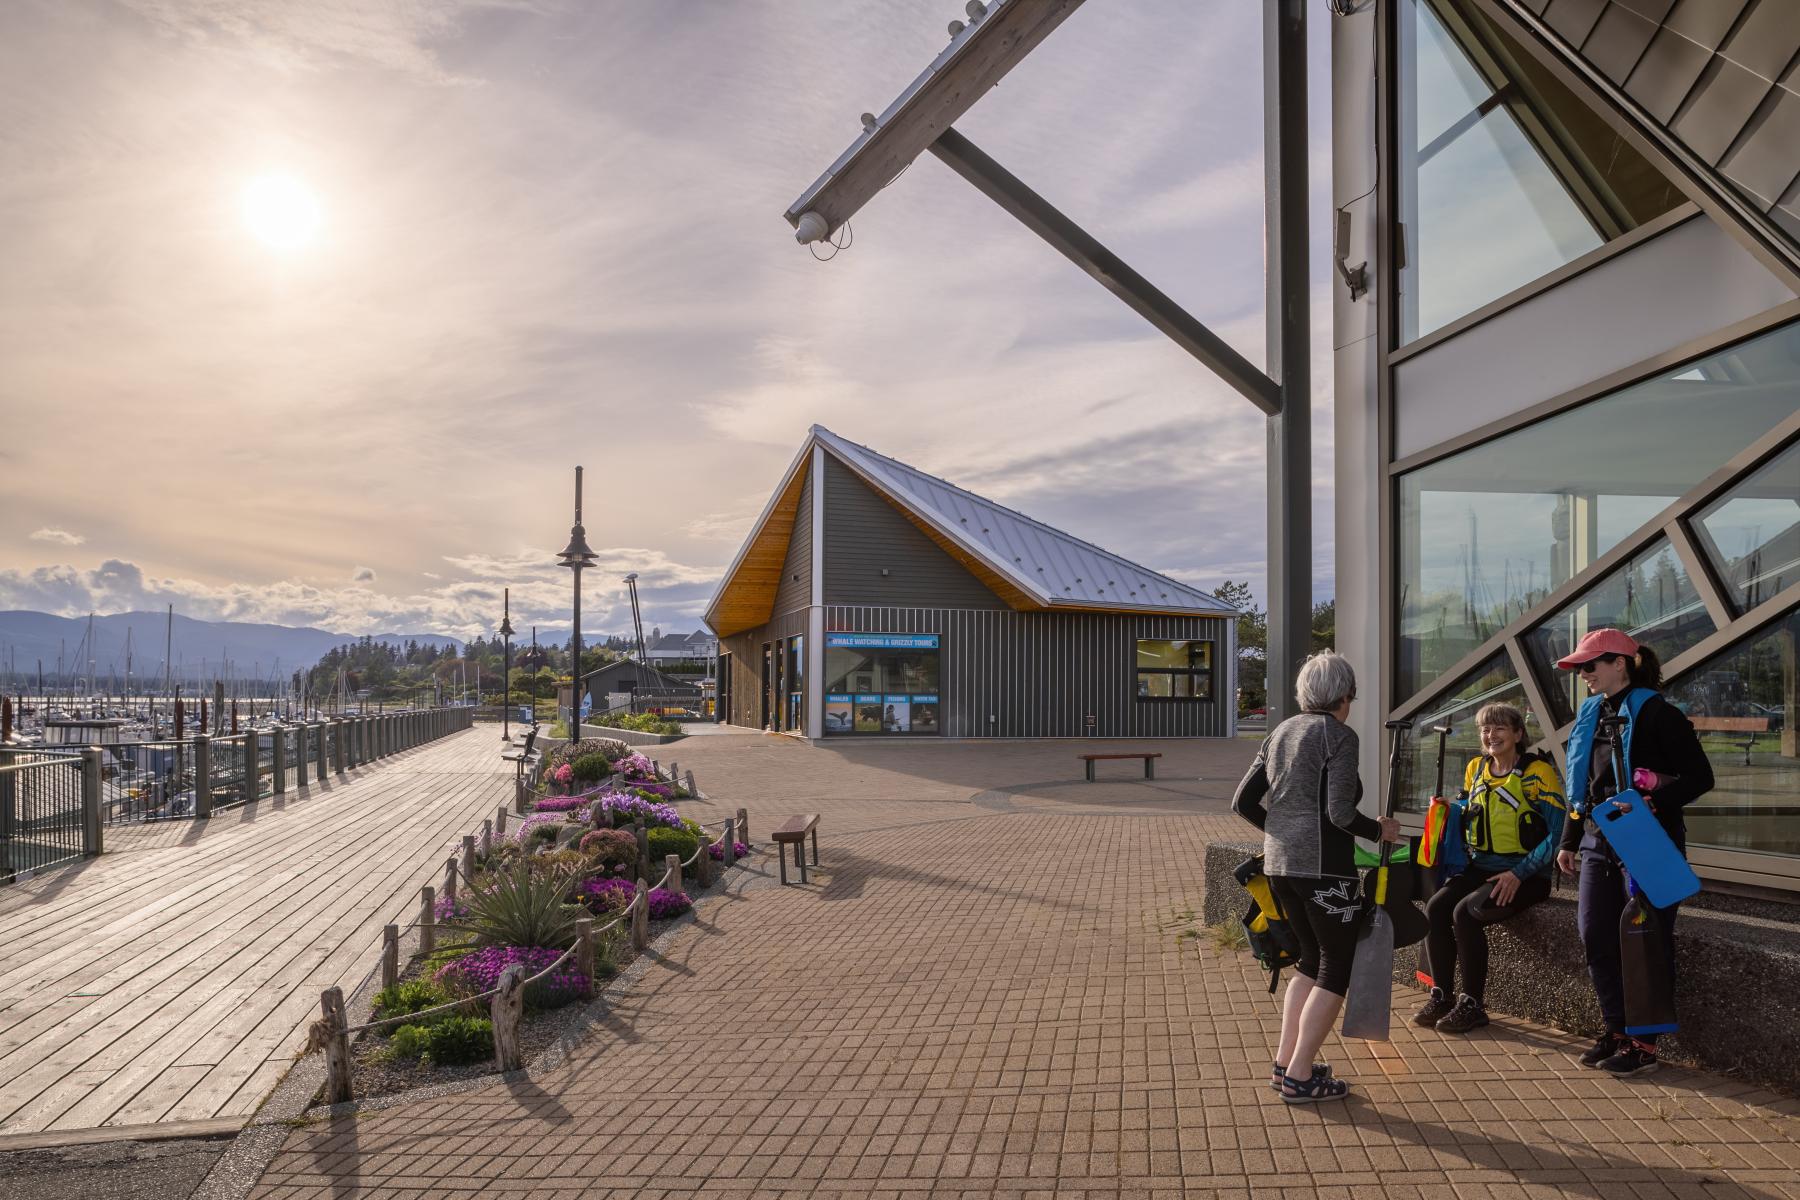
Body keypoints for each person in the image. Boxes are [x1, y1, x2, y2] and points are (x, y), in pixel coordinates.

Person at [1232, 652, 1403, 1103]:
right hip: (1326, 871)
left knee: (1309, 962)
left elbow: (1242, 802)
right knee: (1334, 967)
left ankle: (1285, 1065)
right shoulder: (1339, 736)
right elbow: (1339, 812)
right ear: (1345, 694)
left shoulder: (1281, 731)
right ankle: (1300, 1075)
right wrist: (1379, 830)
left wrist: (1282, 834)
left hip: (1280, 867)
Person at [1554, 628, 1712, 1077]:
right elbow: (1585, 786)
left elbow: (1700, 777)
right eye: (1579, 668)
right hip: (1598, 840)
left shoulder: (1660, 714)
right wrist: (1569, 840)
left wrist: (1653, 801)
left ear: (1619, 663)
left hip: (1648, 838)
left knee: (1646, 942)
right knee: (1595, 935)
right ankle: (1617, 1030)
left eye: (1590, 665)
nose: (1583, 674)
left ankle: (1644, 1044)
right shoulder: (1593, 714)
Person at [1412, 703, 1564, 1034]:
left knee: (1466, 913)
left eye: (1499, 728)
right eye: (1484, 729)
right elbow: (1471, 807)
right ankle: (1442, 996)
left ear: (1518, 734)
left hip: (1527, 875)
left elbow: (1558, 833)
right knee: (1435, 908)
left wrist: (1519, 873)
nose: (1490, 735)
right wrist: (1449, 809)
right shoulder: (1476, 768)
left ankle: (1472, 1005)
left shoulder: (1538, 773)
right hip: (1481, 866)